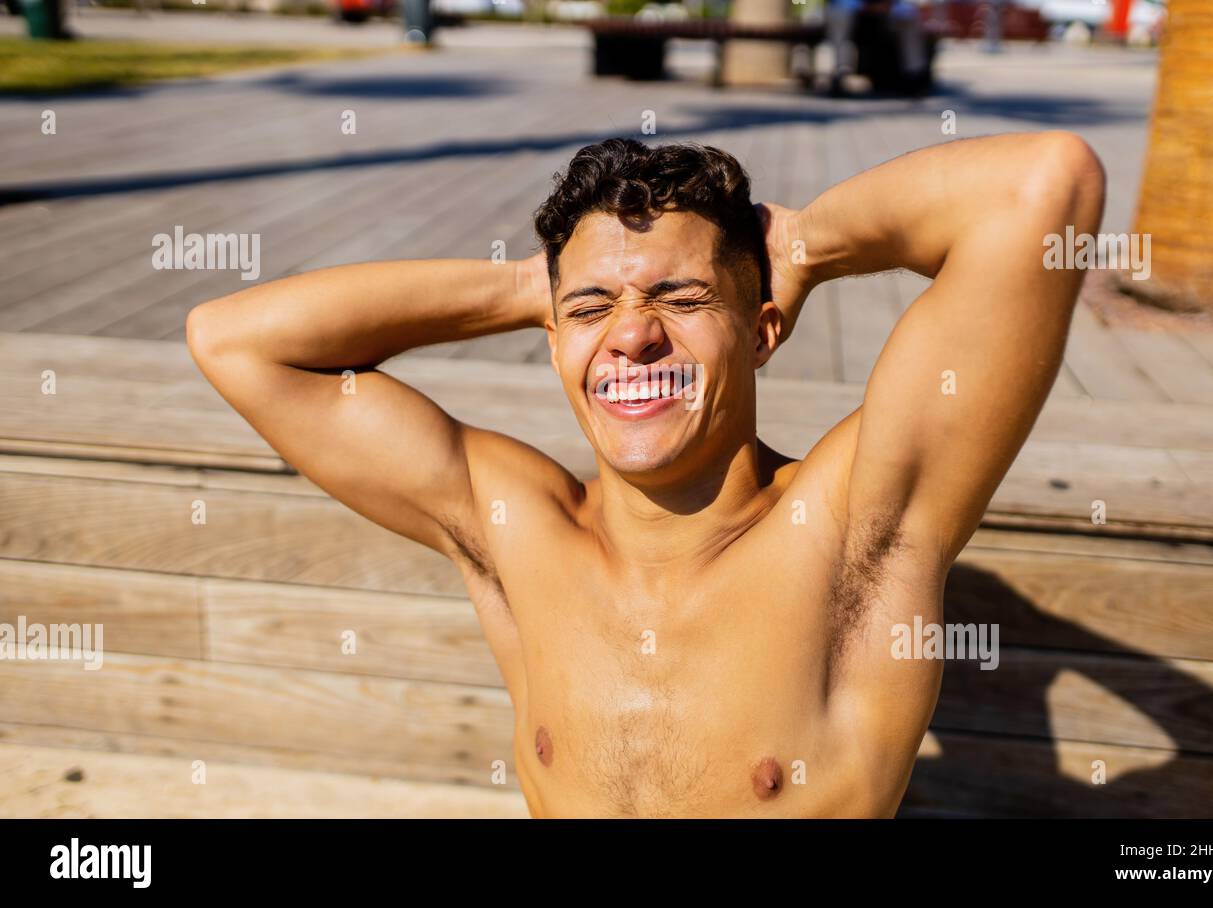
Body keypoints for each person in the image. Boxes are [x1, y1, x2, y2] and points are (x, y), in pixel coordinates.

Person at [187, 133, 1105, 817]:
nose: (632, 335)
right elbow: (236, 343)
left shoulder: (859, 527)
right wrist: (532, 291)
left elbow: (1040, 186)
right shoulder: (516, 529)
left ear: (760, 329)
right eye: (593, 310)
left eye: (682, 297)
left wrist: (809, 245)